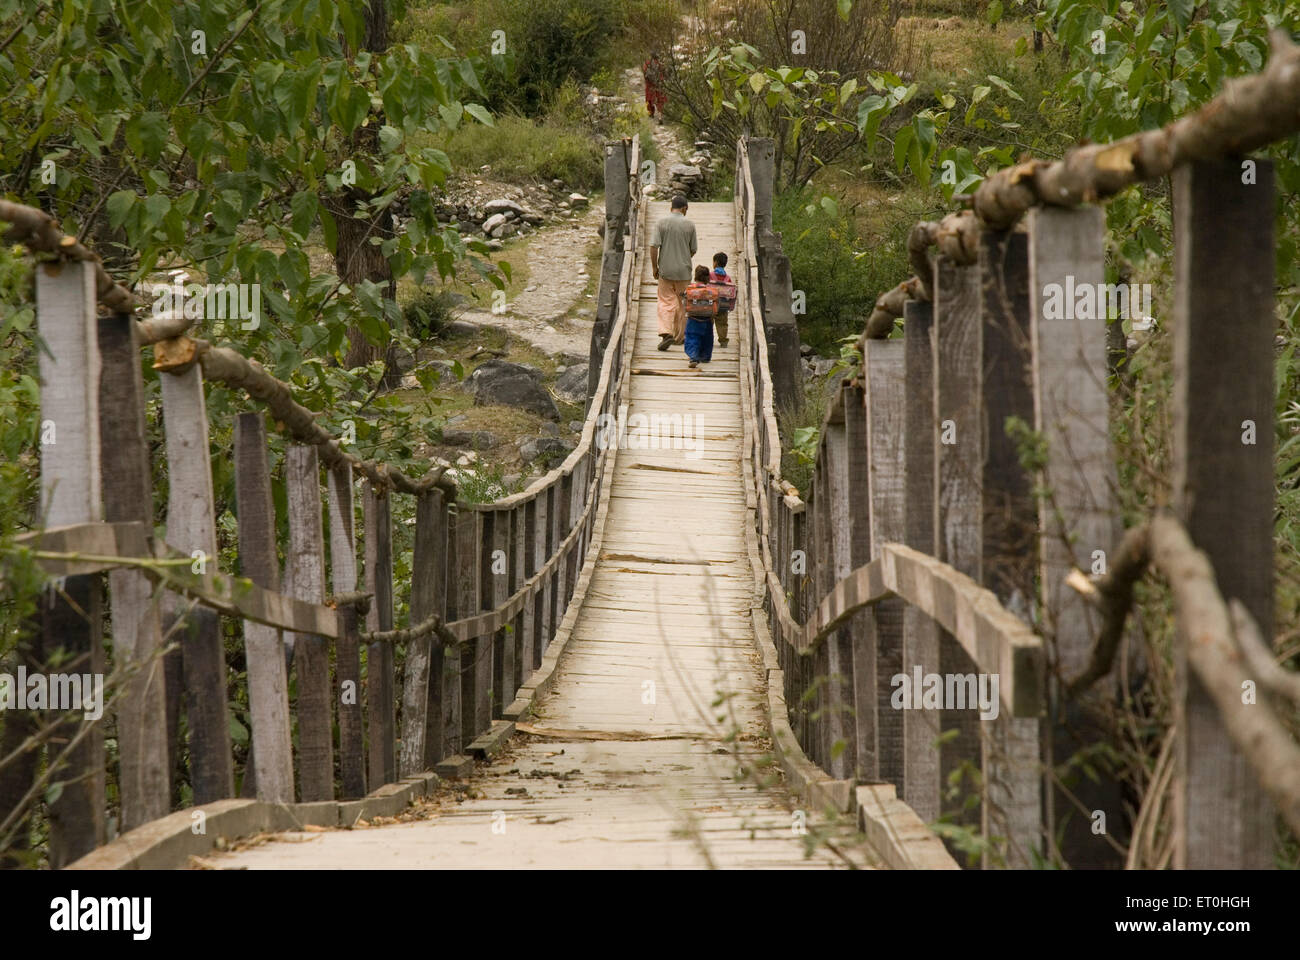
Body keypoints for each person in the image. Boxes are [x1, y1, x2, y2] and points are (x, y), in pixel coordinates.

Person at [649, 194, 696, 350]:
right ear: (685, 209)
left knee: (665, 301)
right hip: (684, 272)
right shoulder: (690, 224)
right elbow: (693, 250)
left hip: (666, 271)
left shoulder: (661, 223)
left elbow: (654, 246)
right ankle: (679, 337)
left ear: (671, 208)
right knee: (683, 303)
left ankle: (666, 332)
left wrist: (655, 267)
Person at [682, 264, 718, 368]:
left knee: (692, 337)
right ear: (707, 278)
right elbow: (717, 304)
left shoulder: (690, 289)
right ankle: (705, 356)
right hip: (707, 318)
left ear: (696, 276)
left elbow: (684, 302)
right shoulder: (711, 290)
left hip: (693, 317)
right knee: (707, 338)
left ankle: (693, 356)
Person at [708, 252, 736, 348]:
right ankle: (723, 340)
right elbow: (732, 294)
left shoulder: (710, 276)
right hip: (723, 306)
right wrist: (730, 306)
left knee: (708, 322)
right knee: (722, 324)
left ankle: (707, 338)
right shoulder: (728, 278)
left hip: (711, 304)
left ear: (715, 263)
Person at [642, 52, 667, 123]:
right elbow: (663, 74)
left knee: (649, 99)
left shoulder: (647, 63)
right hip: (658, 84)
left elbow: (645, 73)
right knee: (660, 100)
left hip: (650, 85)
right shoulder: (660, 64)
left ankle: (650, 113)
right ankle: (660, 116)